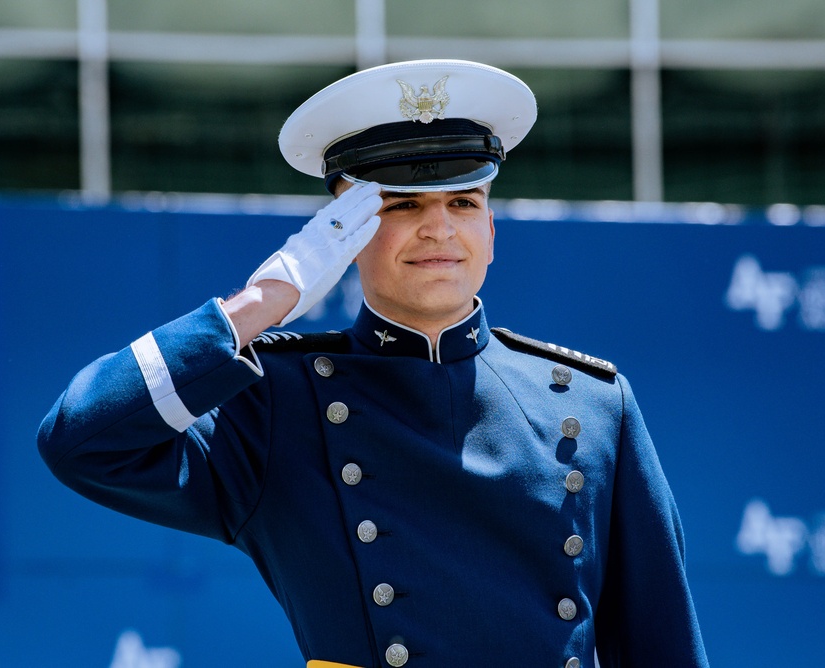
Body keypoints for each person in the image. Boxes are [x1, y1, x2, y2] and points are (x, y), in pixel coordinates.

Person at [38, 59, 708, 668]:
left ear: (492, 233)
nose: (439, 228)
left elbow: (663, 648)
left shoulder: (593, 403)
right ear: (344, 234)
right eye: (402, 203)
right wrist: (264, 301)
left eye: (464, 203)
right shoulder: (281, 402)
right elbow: (81, 440)